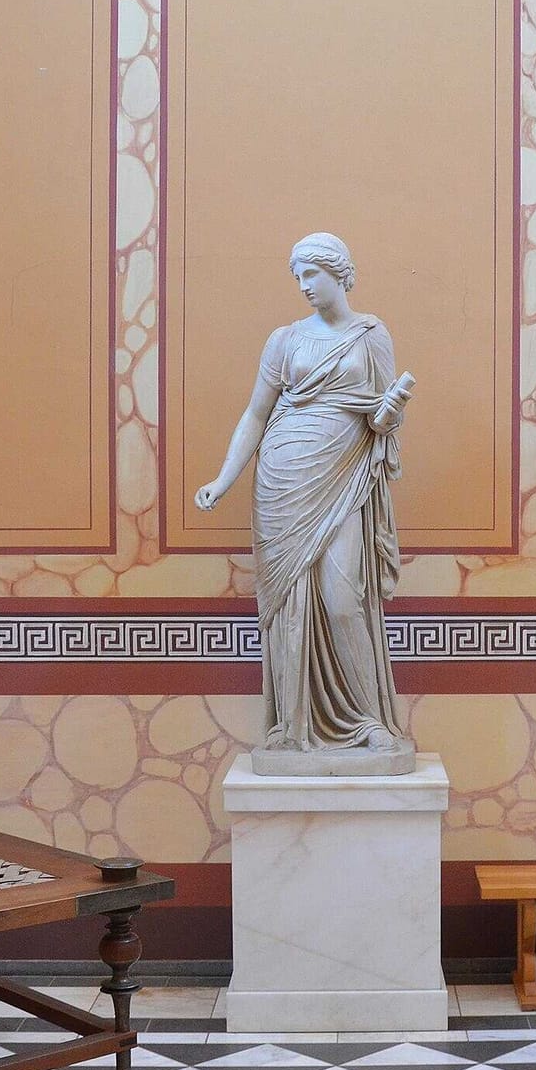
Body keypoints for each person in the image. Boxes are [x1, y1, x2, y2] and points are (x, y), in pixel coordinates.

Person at [195, 233, 416, 771]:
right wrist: (223, 479)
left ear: (338, 272)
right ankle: (294, 725)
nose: (303, 286)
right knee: (291, 606)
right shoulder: (285, 340)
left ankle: (369, 721)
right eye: (297, 277)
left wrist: (390, 413)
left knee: (343, 600)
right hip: (281, 481)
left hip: (342, 479)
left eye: (311, 274)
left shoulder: (371, 335)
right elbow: (256, 414)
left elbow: (379, 421)